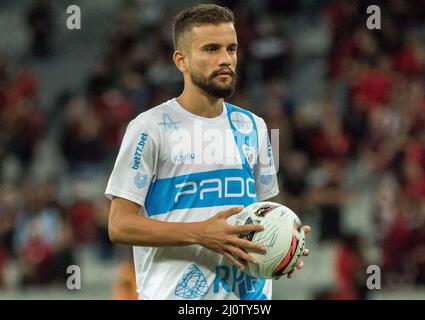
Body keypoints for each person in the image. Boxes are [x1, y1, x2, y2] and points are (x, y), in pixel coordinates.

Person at [105, 4, 310, 300]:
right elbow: (119, 225)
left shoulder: (256, 127)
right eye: (211, 49)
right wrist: (200, 232)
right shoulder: (149, 128)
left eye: (231, 49)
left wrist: (284, 245)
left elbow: (263, 213)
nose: (225, 59)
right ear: (181, 60)